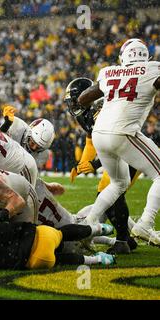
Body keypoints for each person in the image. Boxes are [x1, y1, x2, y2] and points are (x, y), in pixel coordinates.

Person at [78, 39, 160, 246]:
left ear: (124, 56)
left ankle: (89, 224)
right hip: (123, 132)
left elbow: (82, 99)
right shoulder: (152, 69)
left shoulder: (109, 72)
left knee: (118, 183)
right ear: (145, 56)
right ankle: (145, 224)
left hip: (99, 133)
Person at [65, 77, 139, 253]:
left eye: (73, 100)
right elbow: (91, 141)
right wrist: (82, 164)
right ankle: (126, 239)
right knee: (110, 196)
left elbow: (115, 143)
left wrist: (95, 164)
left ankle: (123, 241)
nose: (72, 105)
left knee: (109, 193)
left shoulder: (103, 109)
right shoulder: (86, 114)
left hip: (130, 152)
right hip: (120, 153)